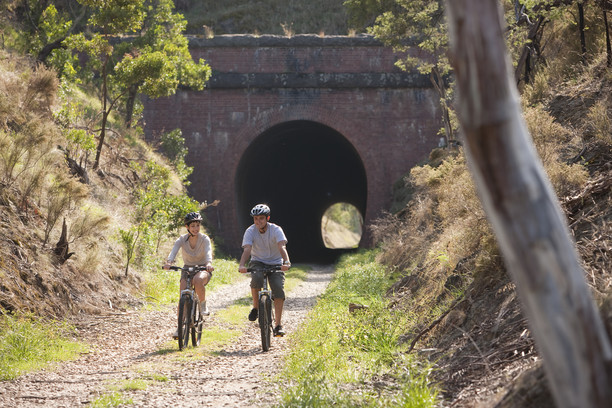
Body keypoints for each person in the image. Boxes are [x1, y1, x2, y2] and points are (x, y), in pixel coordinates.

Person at [239, 204, 291, 337]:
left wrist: (286, 261)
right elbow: (247, 249)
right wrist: (242, 265)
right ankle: (256, 308)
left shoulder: (276, 230)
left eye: (261, 218)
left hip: (275, 262)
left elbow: (281, 247)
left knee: (278, 289)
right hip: (258, 261)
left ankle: (278, 325)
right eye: (255, 219)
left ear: (267, 218)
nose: (258, 221)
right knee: (256, 279)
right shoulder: (250, 231)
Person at [163, 211, 214, 338]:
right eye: (192, 226)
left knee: (198, 280)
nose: (196, 228)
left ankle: (202, 305)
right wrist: (169, 262)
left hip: (203, 268)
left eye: (197, 225)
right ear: (187, 227)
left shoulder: (204, 239)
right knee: (182, 297)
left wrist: (208, 263)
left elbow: (208, 252)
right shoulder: (181, 240)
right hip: (187, 269)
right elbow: (173, 251)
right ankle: (180, 327)